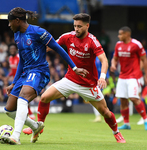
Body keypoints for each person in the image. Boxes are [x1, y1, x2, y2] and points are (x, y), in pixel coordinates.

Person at [23, 13, 126, 143]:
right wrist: (32, 50)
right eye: (75, 26)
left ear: (87, 26)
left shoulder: (92, 41)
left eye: (79, 26)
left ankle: (116, 132)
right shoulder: (68, 36)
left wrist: (103, 76)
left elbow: (104, 60)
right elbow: (49, 47)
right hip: (70, 79)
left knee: (105, 112)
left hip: (88, 85)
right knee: (44, 98)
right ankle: (39, 126)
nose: (76, 29)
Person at [1, 7, 88, 145]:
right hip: (25, 73)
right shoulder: (17, 35)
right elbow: (22, 60)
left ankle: (15, 137)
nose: (9, 25)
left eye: (10, 22)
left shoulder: (38, 32)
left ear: (17, 21)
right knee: (9, 110)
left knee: (23, 98)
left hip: (39, 71)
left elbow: (58, 48)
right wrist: (14, 82)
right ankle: (36, 127)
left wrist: (75, 67)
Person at [110, 26, 147, 130]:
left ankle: (145, 120)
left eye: (120, 34)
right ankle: (127, 124)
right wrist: (113, 64)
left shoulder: (136, 44)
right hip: (122, 76)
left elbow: (144, 59)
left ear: (127, 34)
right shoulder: (118, 45)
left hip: (134, 76)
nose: (118, 36)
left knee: (134, 98)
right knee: (122, 100)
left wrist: (146, 74)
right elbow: (115, 58)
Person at [8, 43, 35, 120]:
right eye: (11, 49)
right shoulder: (10, 58)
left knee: (22, 96)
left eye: (13, 49)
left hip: (22, 79)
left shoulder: (19, 57)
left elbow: (22, 68)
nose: (12, 50)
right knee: (18, 97)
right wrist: (8, 76)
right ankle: (25, 113)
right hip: (15, 80)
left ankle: (30, 113)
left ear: (16, 50)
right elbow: (13, 70)